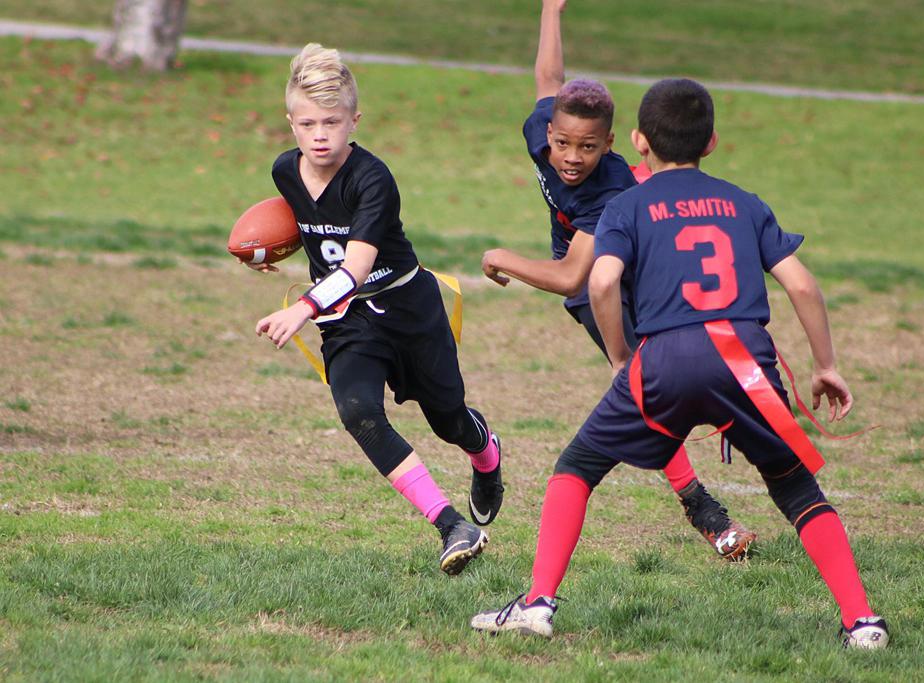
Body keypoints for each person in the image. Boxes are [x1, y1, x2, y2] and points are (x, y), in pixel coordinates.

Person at [471, 78, 888, 649]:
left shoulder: (624, 204)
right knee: (796, 489)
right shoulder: (745, 202)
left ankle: (538, 603)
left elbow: (601, 281)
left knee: (576, 467)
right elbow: (803, 285)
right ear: (711, 142)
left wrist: (622, 355)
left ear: (638, 141)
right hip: (745, 360)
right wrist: (826, 365)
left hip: (665, 357)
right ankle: (862, 622)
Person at [479, 0, 754, 561]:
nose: (571, 158)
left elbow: (570, 276)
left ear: (610, 144)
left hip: (627, 278)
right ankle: (707, 510)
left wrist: (501, 256)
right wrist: (550, 11)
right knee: (646, 392)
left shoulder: (609, 193)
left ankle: (716, 490)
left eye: (587, 147)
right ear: (548, 131)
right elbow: (548, 79)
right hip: (600, 287)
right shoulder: (544, 131)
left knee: (650, 388)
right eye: (562, 143)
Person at [246, 43, 503, 575]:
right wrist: (265, 252)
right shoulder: (284, 172)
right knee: (359, 412)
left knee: (449, 420)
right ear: (290, 123)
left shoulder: (373, 177)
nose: (321, 135)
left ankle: (486, 455)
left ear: (354, 121)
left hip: (408, 309)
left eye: (333, 122)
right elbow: (308, 223)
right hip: (348, 324)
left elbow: (357, 264)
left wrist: (304, 309)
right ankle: (452, 525)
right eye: (308, 123)